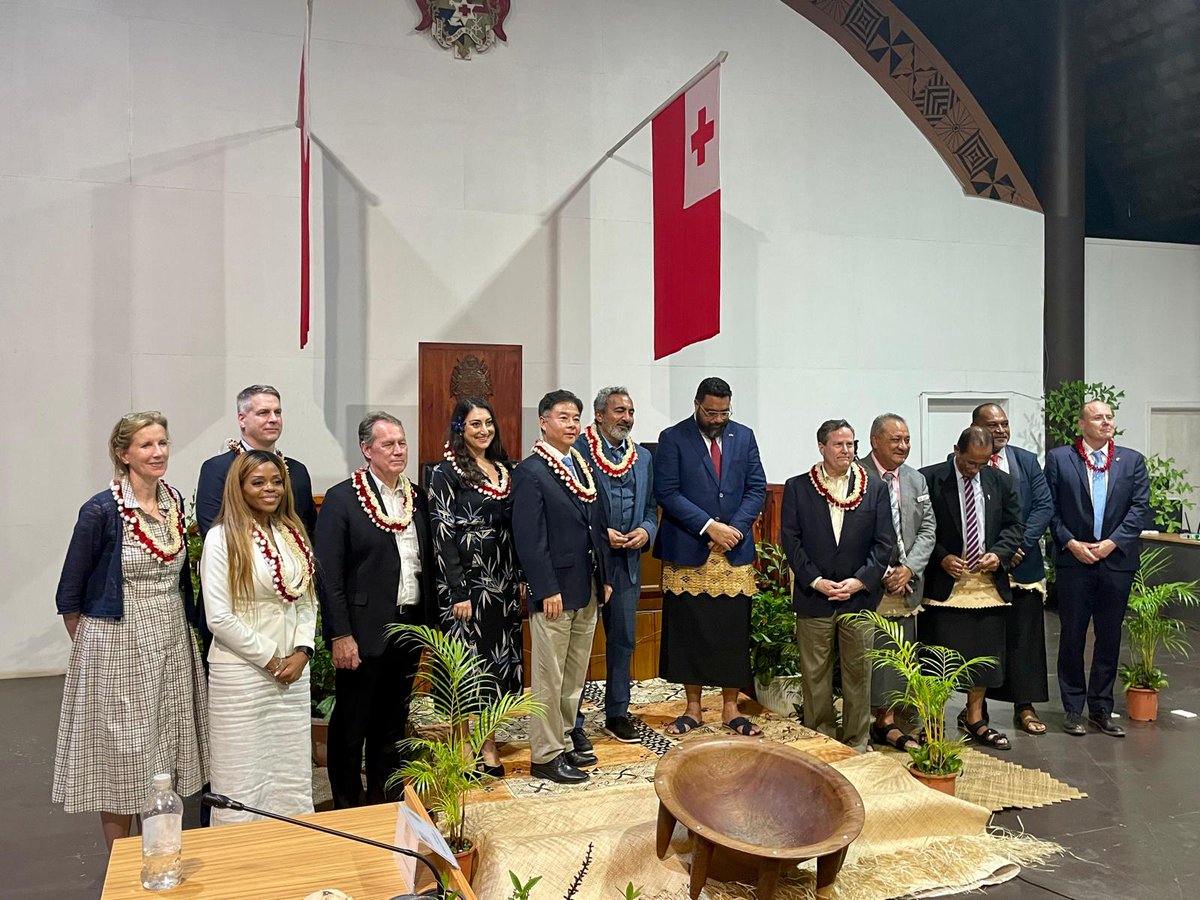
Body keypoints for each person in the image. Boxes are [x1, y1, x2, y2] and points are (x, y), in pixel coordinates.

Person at [52, 412, 210, 850]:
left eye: (162, 443)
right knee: (123, 757)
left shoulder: (174, 501)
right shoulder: (101, 510)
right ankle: (121, 866)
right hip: (118, 642)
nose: (158, 452)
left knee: (166, 748)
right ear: (123, 454)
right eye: (146, 445)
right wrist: (95, 654)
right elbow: (69, 595)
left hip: (171, 639)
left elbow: (182, 578)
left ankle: (161, 850)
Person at [315, 412, 438, 807]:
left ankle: (384, 801)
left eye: (402, 442)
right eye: (389, 444)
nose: (399, 450)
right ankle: (347, 807)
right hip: (362, 632)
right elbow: (329, 575)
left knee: (391, 724)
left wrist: (431, 627)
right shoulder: (342, 499)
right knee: (352, 727)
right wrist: (340, 634)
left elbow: (428, 563)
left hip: (408, 626)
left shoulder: (417, 497)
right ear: (367, 450)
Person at [201, 450, 317, 825]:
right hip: (243, 674)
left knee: (290, 775)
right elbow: (218, 617)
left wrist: (302, 651)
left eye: (277, 481)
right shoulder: (221, 538)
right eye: (258, 482)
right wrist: (271, 658)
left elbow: (306, 599)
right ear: (239, 487)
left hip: (292, 676)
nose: (270, 489)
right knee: (242, 776)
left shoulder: (293, 534)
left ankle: (290, 853)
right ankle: (241, 865)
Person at [654, 377, 767, 737]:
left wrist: (732, 528)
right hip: (690, 547)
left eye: (724, 412)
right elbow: (667, 492)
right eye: (712, 412)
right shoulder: (673, 438)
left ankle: (731, 708)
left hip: (733, 549)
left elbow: (756, 487)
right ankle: (693, 708)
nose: (718, 419)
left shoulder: (744, 436)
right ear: (697, 404)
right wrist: (708, 527)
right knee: (690, 630)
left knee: (731, 631)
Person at [512, 390, 612, 784]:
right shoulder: (531, 471)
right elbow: (529, 538)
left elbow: (596, 527)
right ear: (543, 422)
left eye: (576, 418)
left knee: (574, 674)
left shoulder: (582, 465)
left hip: (585, 585)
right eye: (563, 418)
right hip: (553, 591)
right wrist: (544, 588)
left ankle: (567, 738)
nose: (571, 425)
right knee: (549, 676)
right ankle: (545, 753)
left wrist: (603, 577)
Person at [781, 419, 894, 752]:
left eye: (851, 444)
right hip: (813, 595)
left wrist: (859, 581)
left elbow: (884, 543)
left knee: (859, 674)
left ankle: (857, 741)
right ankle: (820, 739)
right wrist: (816, 580)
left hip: (858, 598)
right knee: (814, 676)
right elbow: (791, 540)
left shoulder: (874, 488)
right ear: (822, 447)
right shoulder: (798, 487)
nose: (847, 451)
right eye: (839, 445)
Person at [428, 398, 522, 777]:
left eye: (487, 423)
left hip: (502, 581)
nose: (483, 431)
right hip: (467, 584)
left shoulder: (505, 468)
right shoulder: (445, 472)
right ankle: (464, 743)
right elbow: (442, 532)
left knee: (497, 665)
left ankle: (488, 738)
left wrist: (520, 579)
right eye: (474, 425)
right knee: (466, 667)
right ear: (459, 430)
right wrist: (458, 591)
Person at [1045, 400, 1150, 737]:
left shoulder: (1131, 460)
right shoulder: (1061, 459)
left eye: (1109, 417)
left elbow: (1139, 509)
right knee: (1073, 634)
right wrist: (1070, 542)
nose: (1106, 422)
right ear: (1081, 425)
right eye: (1098, 417)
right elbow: (1050, 507)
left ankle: (1102, 708)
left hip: (1115, 561)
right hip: (1074, 560)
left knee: (1109, 635)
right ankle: (1073, 708)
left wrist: (1111, 543)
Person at [920, 426, 1023, 751]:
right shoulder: (932, 479)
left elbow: (1014, 525)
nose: (974, 470)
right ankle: (932, 722)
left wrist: (999, 554)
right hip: (946, 587)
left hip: (986, 586)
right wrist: (942, 557)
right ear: (956, 450)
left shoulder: (1000, 480)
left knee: (982, 657)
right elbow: (922, 529)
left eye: (981, 463)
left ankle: (975, 717)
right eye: (968, 463)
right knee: (939, 659)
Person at [196, 384, 317, 654]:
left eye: (277, 412)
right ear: (242, 419)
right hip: (239, 606)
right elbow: (215, 531)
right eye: (263, 412)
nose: (273, 419)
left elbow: (307, 532)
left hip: (290, 607)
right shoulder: (218, 470)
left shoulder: (297, 472)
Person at [572, 386, 658, 744]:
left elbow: (652, 508)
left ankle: (617, 712)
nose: (627, 418)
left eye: (631, 411)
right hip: (588, 562)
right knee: (577, 646)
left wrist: (645, 531)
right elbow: (569, 508)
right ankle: (571, 721)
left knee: (623, 640)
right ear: (599, 415)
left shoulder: (643, 458)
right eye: (619, 411)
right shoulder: (576, 451)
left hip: (627, 562)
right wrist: (597, 532)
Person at [971, 403, 1055, 735]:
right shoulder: (966, 461)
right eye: (993, 425)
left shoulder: (1026, 460)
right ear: (976, 427)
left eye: (1005, 424)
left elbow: (1043, 505)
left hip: (1024, 564)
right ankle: (977, 710)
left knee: (1025, 636)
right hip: (983, 566)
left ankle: (1026, 706)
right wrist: (998, 552)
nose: (1001, 430)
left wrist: (1019, 545)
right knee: (985, 638)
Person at [859, 413, 936, 751]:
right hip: (870, 583)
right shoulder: (857, 475)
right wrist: (884, 571)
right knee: (869, 656)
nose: (903, 446)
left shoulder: (916, 480)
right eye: (895, 440)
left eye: (906, 440)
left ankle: (888, 721)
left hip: (907, 584)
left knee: (897, 656)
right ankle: (866, 723)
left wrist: (908, 568)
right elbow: (850, 534)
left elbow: (928, 528)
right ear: (875, 440)